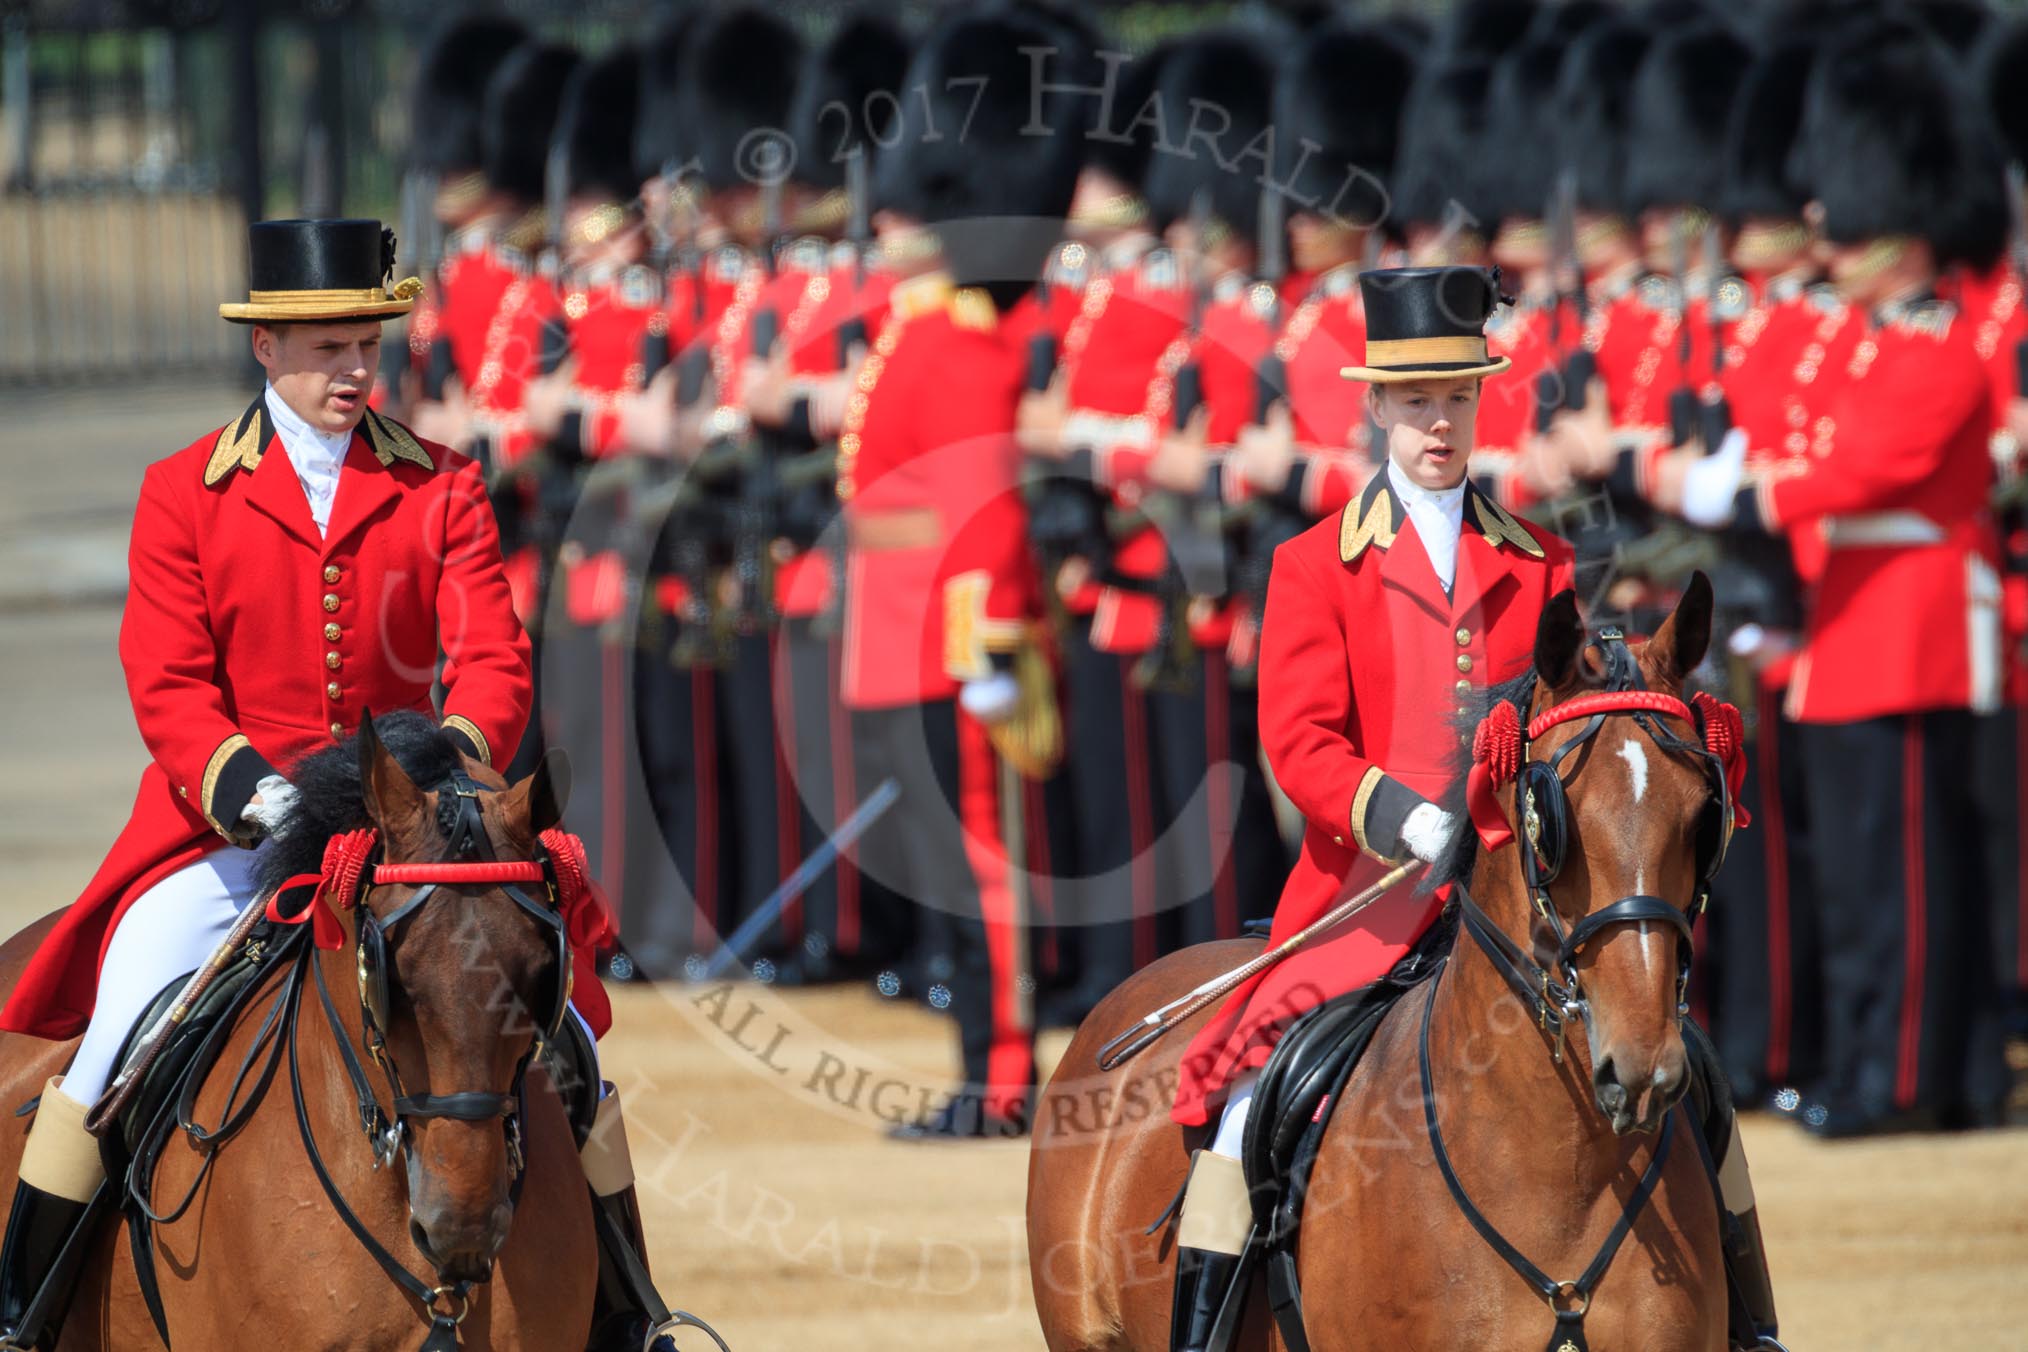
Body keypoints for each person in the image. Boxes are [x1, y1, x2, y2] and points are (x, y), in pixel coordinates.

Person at [0, 219, 661, 1349]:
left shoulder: (442, 484)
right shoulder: (182, 492)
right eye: (329, 348)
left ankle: (629, 1312)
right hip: (230, 835)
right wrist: (256, 792)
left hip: (408, 831)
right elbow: (166, 682)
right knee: (109, 1037)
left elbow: (494, 658)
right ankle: (25, 1307)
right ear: (268, 350)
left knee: (576, 1054)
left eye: (367, 343)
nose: (355, 370)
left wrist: (432, 784)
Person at [1164, 265, 1576, 1351]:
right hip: (1364, 898)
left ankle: (1748, 1319)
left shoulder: (1544, 564)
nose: (1439, 422)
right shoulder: (1313, 563)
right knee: (1243, 1111)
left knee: (1686, 1078)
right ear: (1378, 407)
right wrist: (1396, 813)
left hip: (1516, 902)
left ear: (1482, 400)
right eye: (1416, 400)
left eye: (1457, 397)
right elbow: (1297, 743)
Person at [842, 9, 1082, 1139]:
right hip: (899, 631)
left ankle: (997, 1081)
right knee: (943, 870)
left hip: (955, 636)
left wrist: (989, 648)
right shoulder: (920, 328)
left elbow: (980, 509)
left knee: (980, 868)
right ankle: (973, 1067)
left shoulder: (968, 338)